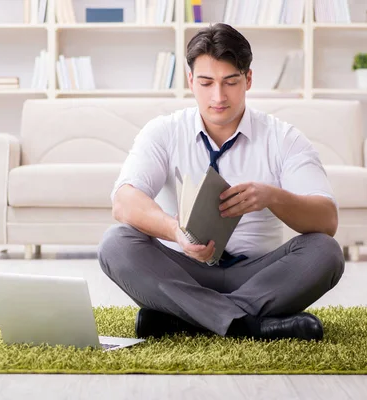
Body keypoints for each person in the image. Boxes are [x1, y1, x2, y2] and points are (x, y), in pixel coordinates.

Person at [97, 23, 345, 341]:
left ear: (248, 80)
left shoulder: (283, 138)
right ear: (190, 81)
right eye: (206, 83)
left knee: (326, 251)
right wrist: (175, 231)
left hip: (260, 275)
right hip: (185, 271)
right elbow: (124, 200)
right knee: (116, 243)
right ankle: (247, 325)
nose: (218, 96)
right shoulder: (163, 132)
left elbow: (327, 220)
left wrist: (273, 197)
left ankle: (185, 319)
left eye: (230, 82)